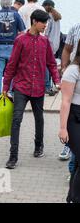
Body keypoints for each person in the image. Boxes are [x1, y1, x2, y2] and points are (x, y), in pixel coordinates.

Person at [3, 10, 61, 170]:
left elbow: (51, 63)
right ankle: (13, 156)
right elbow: (12, 65)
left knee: (39, 118)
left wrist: (57, 80)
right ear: (35, 21)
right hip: (21, 86)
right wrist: (5, 87)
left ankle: (38, 146)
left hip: (38, 87)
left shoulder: (45, 41)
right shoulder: (20, 40)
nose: (45, 26)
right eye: (43, 23)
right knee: (16, 120)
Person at [0, 0, 26, 93]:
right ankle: (11, 93)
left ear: (1, 3)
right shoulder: (16, 15)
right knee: (12, 71)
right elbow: (22, 32)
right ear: (10, 3)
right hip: (13, 46)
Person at [59, 42, 80, 203]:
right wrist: (63, 128)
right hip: (74, 118)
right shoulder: (73, 71)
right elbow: (65, 101)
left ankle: (72, 197)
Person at [42, 0, 62, 96]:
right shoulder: (57, 16)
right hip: (55, 45)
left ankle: (47, 86)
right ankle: (52, 85)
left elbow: (46, 32)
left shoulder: (49, 17)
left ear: (47, 6)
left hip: (48, 44)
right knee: (51, 64)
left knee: (46, 65)